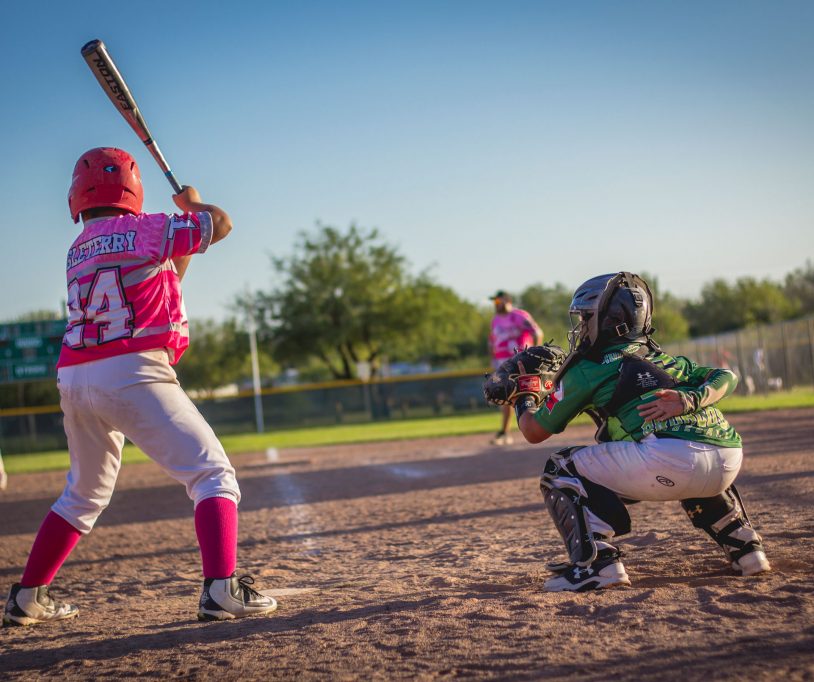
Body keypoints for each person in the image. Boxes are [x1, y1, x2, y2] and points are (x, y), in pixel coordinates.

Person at [3, 148, 277, 627]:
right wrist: (193, 207)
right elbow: (223, 224)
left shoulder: (78, 248)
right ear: (132, 189)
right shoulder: (147, 227)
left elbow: (166, 272)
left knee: (82, 495)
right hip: (133, 370)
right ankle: (220, 589)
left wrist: (182, 227)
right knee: (213, 475)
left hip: (75, 376)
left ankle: (28, 596)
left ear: (77, 197)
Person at [511, 272, 770, 591]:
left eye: (586, 317)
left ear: (605, 320)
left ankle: (597, 564)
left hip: (670, 461)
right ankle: (747, 549)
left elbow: (534, 431)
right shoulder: (666, 359)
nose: (581, 326)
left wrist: (522, 395)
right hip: (729, 459)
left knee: (560, 467)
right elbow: (726, 375)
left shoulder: (590, 367)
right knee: (692, 450)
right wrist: (691, 398)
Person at [488, 291, 543, 445]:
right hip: (502, 363)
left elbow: (537, 332)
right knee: (507, 396)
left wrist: (535, 354)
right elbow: (492, 341)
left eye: (498, 301)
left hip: (519, 361)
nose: (496, 305)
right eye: (495, 302)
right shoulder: (495, 320)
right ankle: (506, 432)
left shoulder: (519, 316)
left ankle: (508, 431)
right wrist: (493, 359)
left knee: (524, 394)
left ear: (507, 301)